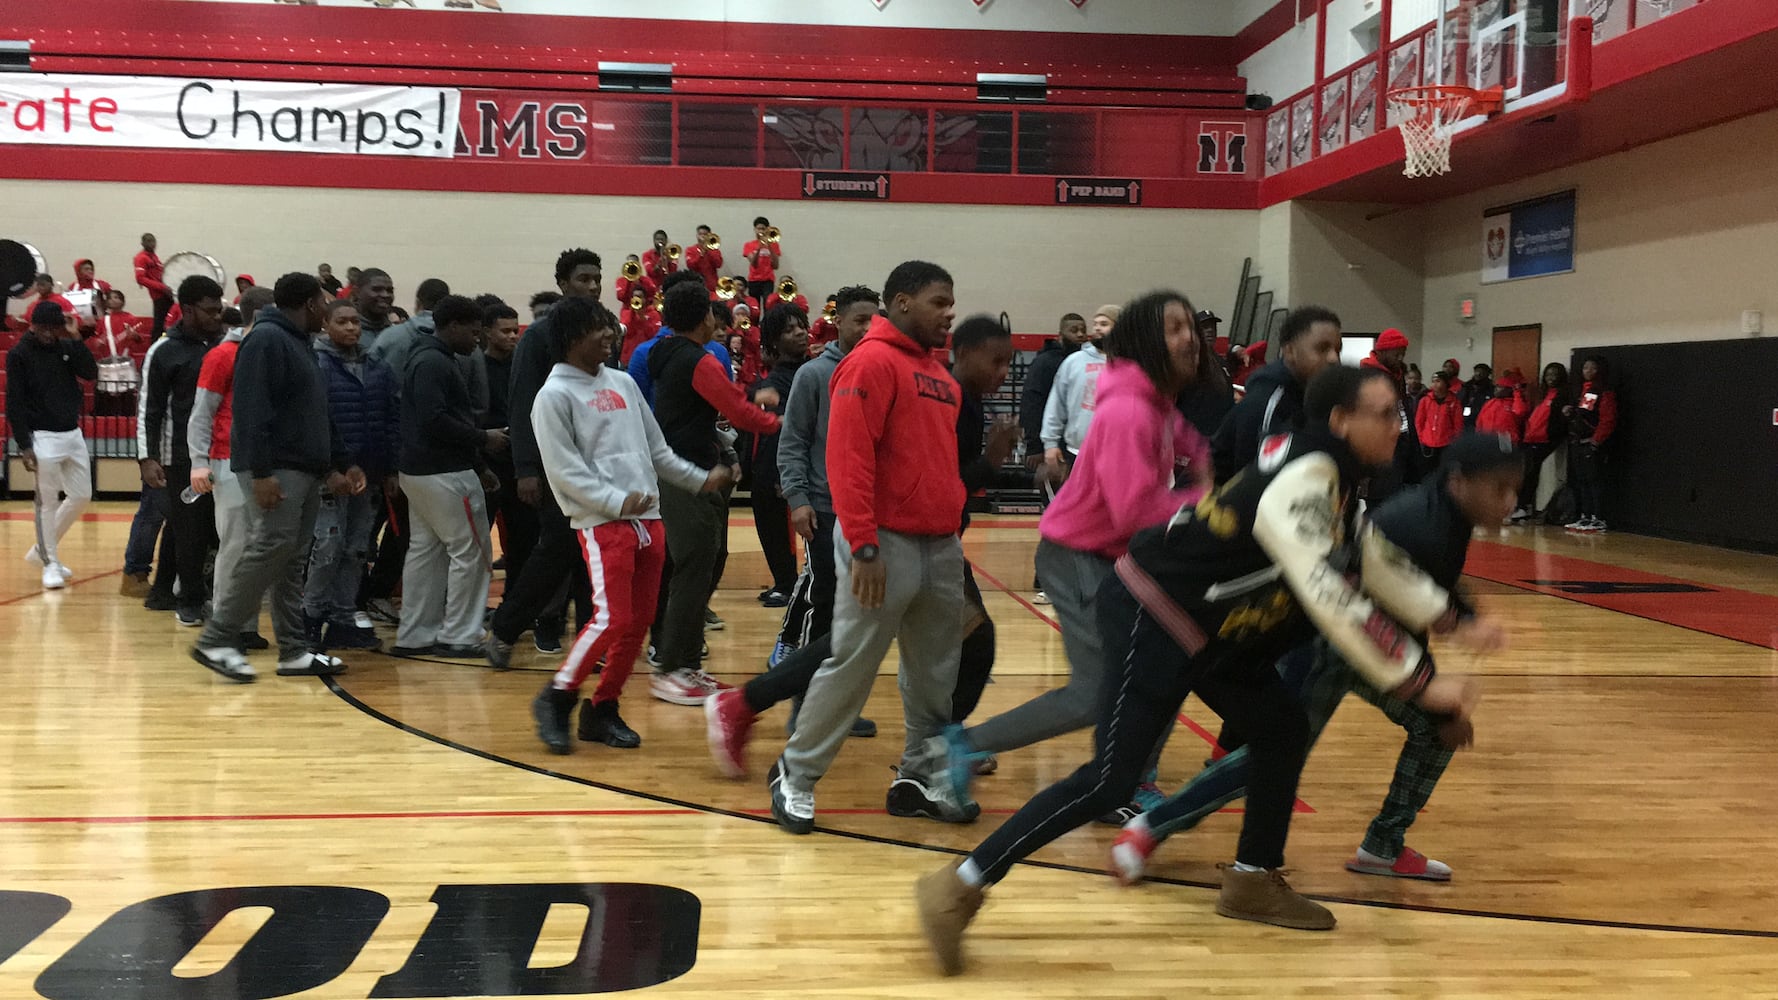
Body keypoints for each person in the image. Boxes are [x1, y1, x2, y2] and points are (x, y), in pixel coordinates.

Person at [916, 366, 1491, 974]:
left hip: (1211, 626)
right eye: (1385, 414)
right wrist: (1418, 680)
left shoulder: (1335, 477)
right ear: (1342, 421)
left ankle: (1252, 880)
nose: (1398, 427)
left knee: (1280, 727)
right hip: (1155, 611)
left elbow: (1370, 557)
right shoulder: (1305, 478)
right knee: (1112, 781)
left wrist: (1449, 615)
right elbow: (1327, 589)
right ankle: (957, 888)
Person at [1115, 431, 1518, 886]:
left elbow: (1422, 587)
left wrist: (1464, 619)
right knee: (1275, 756)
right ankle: (1149, 828)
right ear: (1460, 482)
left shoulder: (1444, 516)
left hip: (1369, 650)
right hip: (1330, 647)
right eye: (1500, 488)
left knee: (1429, 733)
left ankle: (1382, 847)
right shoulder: (1418, 522)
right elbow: (1372, 602)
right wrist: (1434, 690)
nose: (1510, 500)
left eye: (1514, 488)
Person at [925, 292, 1218, 820]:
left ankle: (1127, 778)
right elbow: (1135, 512)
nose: (1189, 339)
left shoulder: (1154, 400)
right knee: (1093, 693)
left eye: (1189, 327)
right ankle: (962, 745)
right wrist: (1206, 501)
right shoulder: (1130, 410)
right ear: (1149, 341)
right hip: (1080, 556)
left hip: (1115, 558)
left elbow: (1188, 442)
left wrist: (1204, 463)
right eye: (1174, 328)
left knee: (1169, 660)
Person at [765, 260, 970, 835]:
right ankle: (796, 775)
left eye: (951, 302)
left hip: (939, 546)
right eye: (938, 302)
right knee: (852, 664)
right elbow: (847, 458)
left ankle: (919, 776)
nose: (948, 312)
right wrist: (863, 545)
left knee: (934, 675)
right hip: (882, 542)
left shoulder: (941, 376)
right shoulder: (869, 362)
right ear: (901, 303)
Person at [528, 297, 735, 753]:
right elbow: (565, 472)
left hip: (648, 519)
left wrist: (700, 481)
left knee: (637, 624)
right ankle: (557, 696)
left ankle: (603, 709)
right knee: (609, 618)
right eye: (596, 328)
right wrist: (616, 501)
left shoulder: (622, 381)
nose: (609, 334)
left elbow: (657, 452)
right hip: (602, 523)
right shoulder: (553, 396)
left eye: (608, 327)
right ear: (570, 337)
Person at [191, 273, 364, 682]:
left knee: (290, 562)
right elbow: (251, 412)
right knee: (270, 547)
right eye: (323, 302)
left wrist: (335, 464)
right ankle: (216, 637)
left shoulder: (299, 342)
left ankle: (293, 651)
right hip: (276, 469)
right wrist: (262, 474)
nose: (327, 309)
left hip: (303, 469)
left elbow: (315, 414)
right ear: (307, 304)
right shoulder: (266, 339)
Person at [644, 281, 781, 704]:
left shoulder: (665, 354)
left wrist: (754, 398)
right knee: (694, 568)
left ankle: (684, 663)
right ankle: (673, 668)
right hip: (688, 477)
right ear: (703, 317)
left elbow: (716, 405)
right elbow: (740, 413)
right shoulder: (698, 360)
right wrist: (784, 421)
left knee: (695, 565)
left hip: (684, 471)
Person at [486, 249, 604, 665]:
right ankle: (505, 629)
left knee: (596, 554)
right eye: (583, 279)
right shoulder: (538, 337)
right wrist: (526, 469)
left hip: (598, 465)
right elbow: (521, 407)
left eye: (597, 278)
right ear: (562, 285)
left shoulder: (605, 330)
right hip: (554, 465)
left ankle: (592, 641)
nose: (592, 286)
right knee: (557, 550)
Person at [391, 295, 504, 658]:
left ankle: (416, 634)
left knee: (425, 553)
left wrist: (480, 463)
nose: (478, 339)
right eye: (474, 332)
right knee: (471, 551)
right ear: (452, 325)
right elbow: (435, 419)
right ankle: (461, 634)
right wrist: (482, 440)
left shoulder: (426, 357)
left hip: (420, 471)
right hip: (444, 473)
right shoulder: (433, 362)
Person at [303, 299, 401, 651]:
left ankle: (344, 616)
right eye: (342, 322)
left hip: (370, 474)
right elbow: (312, 424)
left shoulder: (377, 365)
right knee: (328, 546)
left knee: (358, 548)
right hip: (331, 476)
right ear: (326, 324)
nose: (351, 328)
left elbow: (391, 419)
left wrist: (389, 469)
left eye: (355, 322)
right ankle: (311, 617)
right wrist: (330, 469)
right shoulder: (316, 363)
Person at [187, 285, 276, 653]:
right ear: (257, 314)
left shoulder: (268, 352)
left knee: (256, 548)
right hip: (226, 461)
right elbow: (201, 414)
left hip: (261, 463)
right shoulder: (223, 355)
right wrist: (198, 463)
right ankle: (226, 626)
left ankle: (246, 624)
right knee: (236, 546)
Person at [138, 275, 226, 625]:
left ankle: (167, 589)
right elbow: (149, 408)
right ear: (187, 310)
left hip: (219, 453)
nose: (216, 316)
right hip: (179, 457)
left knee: (194, 527)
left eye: (219, 310)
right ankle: (189, 601)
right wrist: (147, 458)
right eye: (209, 310)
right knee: (191, 529)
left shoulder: (221, 345)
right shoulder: (164, 350)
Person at [7, 301, 96, 590]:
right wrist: (24, 444)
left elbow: (91, 372)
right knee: (47, 502)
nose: (48, 333)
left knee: (82, 495)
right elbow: (14, 402)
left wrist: (74, 336)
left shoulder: (66, 346)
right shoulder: (19, 354)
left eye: (53, 328)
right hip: (42, 436)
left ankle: (41, 550)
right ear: (32, 326)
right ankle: (50, 562)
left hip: (72, 432)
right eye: (42, 327)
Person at [1210, 306, 1342, 482]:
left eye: (1337, 349)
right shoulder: (1266, 401)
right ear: (1289, 352)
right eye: (1322, 349)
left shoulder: (1318, 398)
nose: (1334, 358)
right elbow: (1251, 483)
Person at [1018, 312, 1088, 604]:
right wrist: (1036, 446)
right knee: (1057, 515)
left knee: (1075, 517)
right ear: (1060, 334)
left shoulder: (1086, 365)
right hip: (1051, 453)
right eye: (1074, 329)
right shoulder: (1046, 363)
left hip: (1076, 453)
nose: (1081, 334)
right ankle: (1047, 579)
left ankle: (1067, 578)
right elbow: (1032, 403)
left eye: (1083, 330)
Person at [744, 304, 811, 606]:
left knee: (792, 526)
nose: (799, 332)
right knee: (770, 525)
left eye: (801, 326)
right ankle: (784, 580)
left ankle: (790, 584)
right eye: (789, 329)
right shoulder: (773, 380)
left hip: (796, 466)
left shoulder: (811, 372)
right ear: (773, 342)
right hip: (771, 465)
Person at [1038, 304, 1118, 488]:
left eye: (1104, 323)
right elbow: (1055, 405)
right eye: (1095, 323)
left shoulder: (1130, 364)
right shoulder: (1074, 362)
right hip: (1077, 453)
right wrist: (1050, 443)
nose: (1097, 328)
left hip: (1117, 455)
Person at [482, 302, 526, 590]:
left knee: (521, 534)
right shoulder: (475, 365)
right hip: (484, 459)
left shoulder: (521, 366)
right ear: (487, 332)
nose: (512, 336)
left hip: (516, 458)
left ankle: (515, 598)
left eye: (515, 330)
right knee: (476, 536)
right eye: (505, 331)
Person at [1511, 362, 1570, 523]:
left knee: (1530, 472)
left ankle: (1523, 507)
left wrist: (1554, 433)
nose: (1551, 378)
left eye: (1554, 374)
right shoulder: (1542, 394)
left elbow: (1561, 421)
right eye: (1548, 374)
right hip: (1530, 437)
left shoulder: (1563, 395)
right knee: (1525, 472)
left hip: (1545, 439)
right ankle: (1522, 506)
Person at [1563, 356, 1616, 533]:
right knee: (1582, 480)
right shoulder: (1582, 391)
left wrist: (1596, 441)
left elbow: (1607, 419)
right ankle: (1585, 516)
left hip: (1591, 443)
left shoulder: (1603, 391)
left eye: (1593, 368)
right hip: (1577, 442)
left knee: (1594, 481)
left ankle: (1598, 517)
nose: (1588, 372)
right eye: (1585, 368)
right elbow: (1583, 415)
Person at [1415, 371, 1463, 471]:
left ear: (1446, 383)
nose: (1434, 384)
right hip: (1427, 443)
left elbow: (1458, 425)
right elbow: (1419, 422)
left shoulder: (1454, 402)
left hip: (1446, 443)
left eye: (1438, 381)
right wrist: (1421, 438)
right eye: (1433, 381)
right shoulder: (1425, 400)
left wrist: (1454, 441)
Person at [133, 233, 173, 338]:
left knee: (166, 322)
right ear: (142, 243)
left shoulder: (153, 256)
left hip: (165, 294)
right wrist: (162, 287)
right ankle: (154, 348)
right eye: (148, 241)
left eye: (153, 241)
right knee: (159, 325)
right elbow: (140, 279)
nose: (151, 243)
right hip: (159, 295)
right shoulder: (141, 258)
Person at [1476, 369, 1528, 446]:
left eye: (1500, 387)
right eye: (1496, 386)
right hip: (1487, 439)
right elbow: (1479, 422)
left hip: (1506, 440)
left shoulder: (1516, 402)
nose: (1496, 389)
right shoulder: (1490, 402)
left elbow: (1520, 411)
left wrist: (1517, 393)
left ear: (1509, 390)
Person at [351, 268, 397, 348]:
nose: (385, 295)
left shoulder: (397, 333)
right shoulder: (343, 334)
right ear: (357, 292)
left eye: (389, 291)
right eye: (377, 290)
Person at [742, 216, 781, 305]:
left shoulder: (774, 245)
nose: (761, 231)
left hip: (768, 280)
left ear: (767, 230)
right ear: (755, 229)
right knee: (755, 306)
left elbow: (776, 266)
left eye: (763, 229)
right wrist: (759, 248)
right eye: (758, 229)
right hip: (753, 280)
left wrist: (769, 246)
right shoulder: (749, 245)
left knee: (768, 305)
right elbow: (754, 264)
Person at [683, 224, 724, 293]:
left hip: (712, 285)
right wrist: (701, 255)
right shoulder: (690, 249)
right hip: (695, 283)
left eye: (705, 234)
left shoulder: (715, 250)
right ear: (697, 235)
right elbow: (690, 266)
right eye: (700, 234)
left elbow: (718, 264)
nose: (702, 236)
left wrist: (708, 251)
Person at [1459, 362, 1495, 430]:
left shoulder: (1491, 389)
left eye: (1482, 372)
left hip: (1483, 419)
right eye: (1477, 371)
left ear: (1487, 374)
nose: (1478, 374)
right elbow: (1460, 401)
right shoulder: (1467, 386)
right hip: (1466, 420)